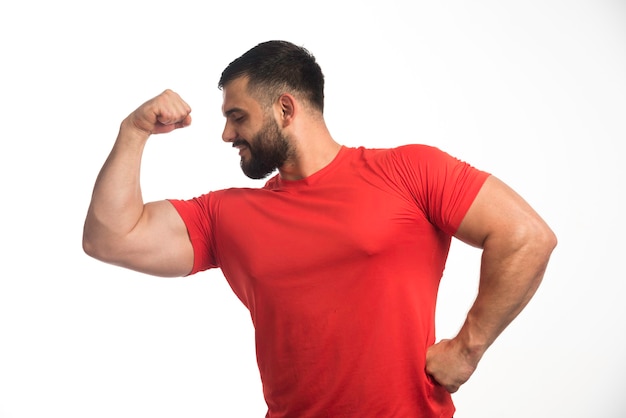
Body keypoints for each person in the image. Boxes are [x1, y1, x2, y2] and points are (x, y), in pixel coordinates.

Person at [83, 40, 557, 417]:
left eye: (237, 116)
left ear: (285, 109)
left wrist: (468, 349)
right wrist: (133, 130)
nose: (226, 134)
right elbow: (110, 238)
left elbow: (526, 237)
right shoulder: (226, 215)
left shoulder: (408, 171)